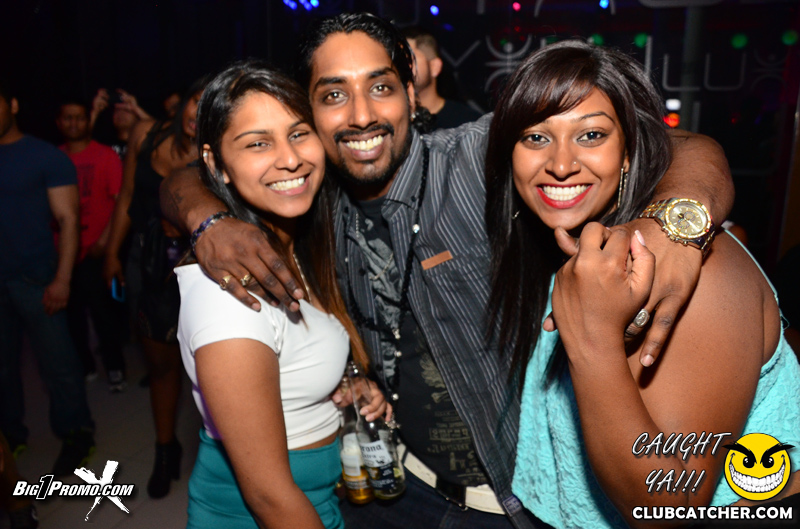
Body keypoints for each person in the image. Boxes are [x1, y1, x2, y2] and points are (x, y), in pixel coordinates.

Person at [160, 13, 734, 529]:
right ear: (309, 113)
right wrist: (209, 220)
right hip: (392, 489)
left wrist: (676, 225)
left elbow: (687, 146)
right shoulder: (311, 197)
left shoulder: (476, 157)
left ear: (411, 94)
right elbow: (182, 177)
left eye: (380, 87)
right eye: (334, 94)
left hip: (512, 507)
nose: (361, 115)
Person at [484, 40, 800, 529]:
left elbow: (670, 504)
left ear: (630, 151)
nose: (561, 164)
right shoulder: (579, 245)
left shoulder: (691, 273)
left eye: (591, 135)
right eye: (536, 137)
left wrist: (591, 340)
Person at [177, 59, 388, 529]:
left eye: (298, 134)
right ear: (216, 163)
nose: (290, 159)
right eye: (258, 143)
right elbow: (268, 497)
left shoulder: (294, 245)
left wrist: (341, 383)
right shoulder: (229, 293)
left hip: (317, 498)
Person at [104, 78, 206, 498]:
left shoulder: (217, 152)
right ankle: (166, 449)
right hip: (147, 264)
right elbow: (127, 194)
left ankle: (221, 453)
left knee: (208, 369)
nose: (197, 113)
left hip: (200, 270)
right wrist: (112, 252)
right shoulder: (145, 134)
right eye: (195, 101)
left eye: (209, 106)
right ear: (183, 101)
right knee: (160, 366)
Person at [0, 79, 95, 476]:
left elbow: (69, 219)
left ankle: (77, 436)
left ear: (13, 105)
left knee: (59, 365)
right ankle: (11, 436)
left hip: (36, 278)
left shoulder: (44, 156)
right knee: (3, 368)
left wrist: (62, 279)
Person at [56, 99, 127, 391]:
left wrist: (106, 242)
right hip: (64, 252)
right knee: (71, 316)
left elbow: (120, 202)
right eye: (68, 117)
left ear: (89, 121)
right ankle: (85, 365)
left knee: (104, 313)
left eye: (79, 118)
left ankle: (115, 367)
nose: (74, 123)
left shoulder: (105, 155)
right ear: (59, 122)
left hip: (97, 249)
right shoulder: (54, 158)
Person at [402, 26, 481, 130]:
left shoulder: (467, 123)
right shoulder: (391, 120)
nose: (400, 67)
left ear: (434, 67)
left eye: (408, 60)